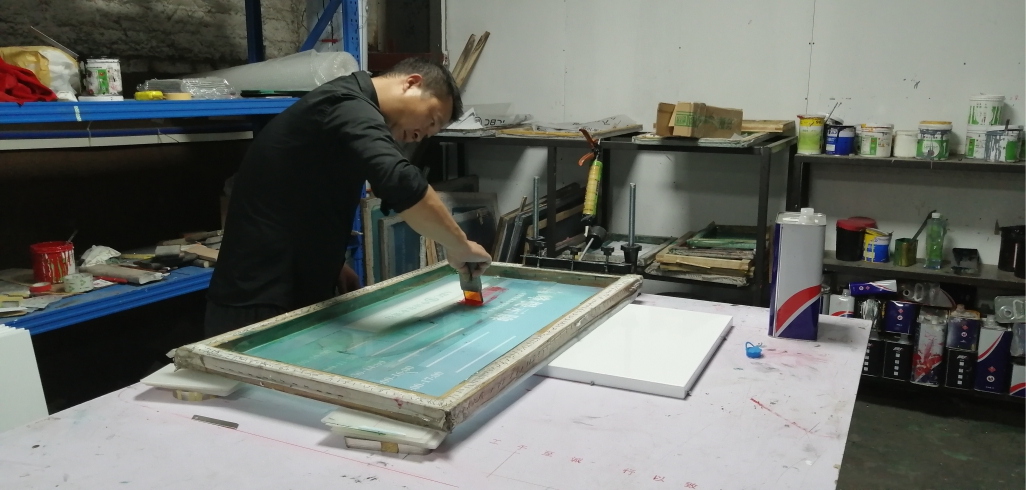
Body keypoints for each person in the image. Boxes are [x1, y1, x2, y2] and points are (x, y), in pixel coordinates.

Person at [204, 58, 491, 338]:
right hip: (257, 299)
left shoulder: (348, 113)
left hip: (292, 287)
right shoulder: (347, 104)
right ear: (412, 83)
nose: (420, 136)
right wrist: (460, 246)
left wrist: (329, 262)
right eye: (431, 121)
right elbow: (401, 182)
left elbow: (301, 194)